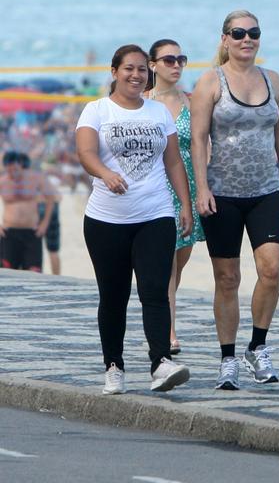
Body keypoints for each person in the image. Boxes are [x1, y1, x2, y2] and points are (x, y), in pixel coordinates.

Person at [76, 44, 193, 395]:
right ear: (114, 72)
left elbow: (173, 162)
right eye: (129, 68)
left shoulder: (158, 113)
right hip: (106, 220)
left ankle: (160, 363)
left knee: (155, 290)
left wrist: (184, 205)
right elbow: (85, 151)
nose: (136, 75)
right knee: (113, 296)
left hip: (154, 214)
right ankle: (113, 366)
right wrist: (104, 174)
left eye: (143, 69)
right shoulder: (97, 110)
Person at [191, 10, 279, 389]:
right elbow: (198, 139)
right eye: (238, 33)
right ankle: (228, 358)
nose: (246, 39)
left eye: (253, 33)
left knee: (271, 270)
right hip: (222, 193)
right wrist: (202, 189)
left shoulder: (274, 80)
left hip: (266, 189)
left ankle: (258, 345)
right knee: (227, 278)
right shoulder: (210, 82)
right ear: (225, 39)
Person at [147, 38, 205, 355]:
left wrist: (204, 189)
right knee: (165, 264)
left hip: (188, 187)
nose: (176, 65)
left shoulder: (192, 102)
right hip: (155, 187)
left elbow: (201, 147)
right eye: (168, 60)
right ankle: (167, 331)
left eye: (180, 59)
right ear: (152, 64)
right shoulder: (142, 102)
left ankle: (160, 315)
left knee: (178, 266)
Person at [0, 150, 55, 272]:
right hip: (9, 232)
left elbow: (51, 198)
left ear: (20, 165)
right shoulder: (3, 181)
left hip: (32, 232)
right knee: (8, 272)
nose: (12, 173)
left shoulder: (35, 178)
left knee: (34, 272)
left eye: (15, 169)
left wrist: (44, 223)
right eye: (9, 170)